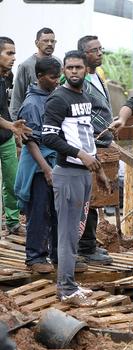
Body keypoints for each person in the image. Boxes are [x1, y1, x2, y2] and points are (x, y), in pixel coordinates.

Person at [42, 50, 110, 307]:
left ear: (85, 70)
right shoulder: (58, 99)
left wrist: (98, 168)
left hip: (84, 173)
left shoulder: (83, 96)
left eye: (77, 68)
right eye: (69, 67)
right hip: (68, 173)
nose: (73, 71)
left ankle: (69, 282)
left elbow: (86, 135)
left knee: (76, 231)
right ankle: (67, 289)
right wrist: (80, 155)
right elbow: (48, 137)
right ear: (63, 71)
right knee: (68, 234)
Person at [14, 57, 61, 274]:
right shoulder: (32, 104)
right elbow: (30, 142)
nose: (57, 81)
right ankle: (35, 257)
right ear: (40, 77)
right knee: (39, 212)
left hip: (53, 162)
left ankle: (56, 254)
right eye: (53, 78)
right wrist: (46, 168)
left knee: (55, 210)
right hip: (38, 166)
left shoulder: (53, 97)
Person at [74, 35, 114, 266]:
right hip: (88, 146)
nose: (100, 53)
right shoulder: (81, 82)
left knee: (95, 198)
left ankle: (88, 244)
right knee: (87, 199)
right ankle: (85, 247)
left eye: (101, 49)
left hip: (101, 144)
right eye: (94, 50)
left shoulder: (97, 76)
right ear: (83, 54)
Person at [0, 37, 34, 238]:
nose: (13, 58)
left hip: (4, 138)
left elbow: (6, 108)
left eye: (14, 53)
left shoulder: (7, 76)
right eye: (9, 53)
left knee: (13, 181)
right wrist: (12, 126)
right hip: (6, 130)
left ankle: (12, 222)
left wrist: (15, 132)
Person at [10, 27, 61, 121]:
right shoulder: (26, 66)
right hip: (33, 118)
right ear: (36, 43)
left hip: (54, 116)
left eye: (52, 41)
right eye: (45, 41)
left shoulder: (58, 62)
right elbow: (17, 95)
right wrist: (14, 122)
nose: (50, 44)